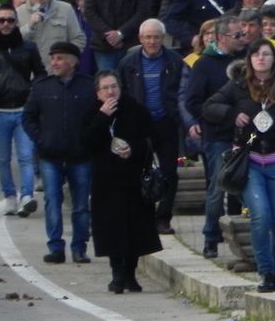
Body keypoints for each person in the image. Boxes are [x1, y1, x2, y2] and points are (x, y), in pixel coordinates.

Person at [203, 38, 275, 292]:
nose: (261, 58)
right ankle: (266, 271)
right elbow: (209, 106)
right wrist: (231, 115)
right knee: (260, 215)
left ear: (274, 58)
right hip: (250, 162)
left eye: (266, 54)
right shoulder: (238, 85)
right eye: (256, 55)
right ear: (249, 59)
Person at [83, 70, 162, 293]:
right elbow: (86, 142)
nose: (110, 92)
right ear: (98, 92)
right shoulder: (92, 112)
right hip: (106, 181)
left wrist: (134, 150)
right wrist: (102, 117)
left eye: (113, 87)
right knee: (112, 229)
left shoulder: (136, 110)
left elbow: (152, 139)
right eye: (105, 88)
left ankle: (130, 274)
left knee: (134, 229)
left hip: (133, 178)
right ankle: (117, 273)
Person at [23, 41, 98, 263]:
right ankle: (56, 247)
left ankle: (79, 247)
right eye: (52, 58)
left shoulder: (88, 86)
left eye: (59, 58)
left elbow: (98, 118)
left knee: (82, 205)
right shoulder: (41, 86)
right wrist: (41, 140)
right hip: (50, 156)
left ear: (73, 62)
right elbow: (28, 117)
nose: (54, 63)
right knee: (52, 201)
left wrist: (90, 142)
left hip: (81, 156)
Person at [184, 15, 248, 259]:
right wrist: (225, 115)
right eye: (236, 36)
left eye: (243, 34)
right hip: (218, 135)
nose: (242, 39)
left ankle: (246, 235)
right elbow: (193, 102)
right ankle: (210, 236)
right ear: (221, 38)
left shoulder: (245, 61)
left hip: (245, 135)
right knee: (217, 188)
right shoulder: (205, 64)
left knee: (245, 187)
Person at [118, 19, 184, 235]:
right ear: (140, 39)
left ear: (162, 38)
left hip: (166, 123)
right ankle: (142, 216)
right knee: (137, 172)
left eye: (156, 37)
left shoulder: (175, 61)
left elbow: (182, 92)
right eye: (148, 37)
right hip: (139, 125)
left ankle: (163, 218)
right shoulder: (128, 64)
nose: (152, 41)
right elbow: (122, 94)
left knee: (169, 173)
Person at [0, 3, 46, 216]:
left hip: (23, 109)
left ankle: (26, 196)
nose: (6, 24)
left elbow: (40, 73)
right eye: (1, 20)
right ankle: (10, 197)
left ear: (16, 22)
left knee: (25, 155)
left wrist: (33, 92)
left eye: (10, 20)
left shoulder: (28, 47)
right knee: (3, 158)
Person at [17, 0, 85, 67]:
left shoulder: (65, 9)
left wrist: (66, 58)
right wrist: (29, 27)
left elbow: (79, 39)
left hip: (60, 71)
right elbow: (14, 42)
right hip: (30, 72)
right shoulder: (19, 12)